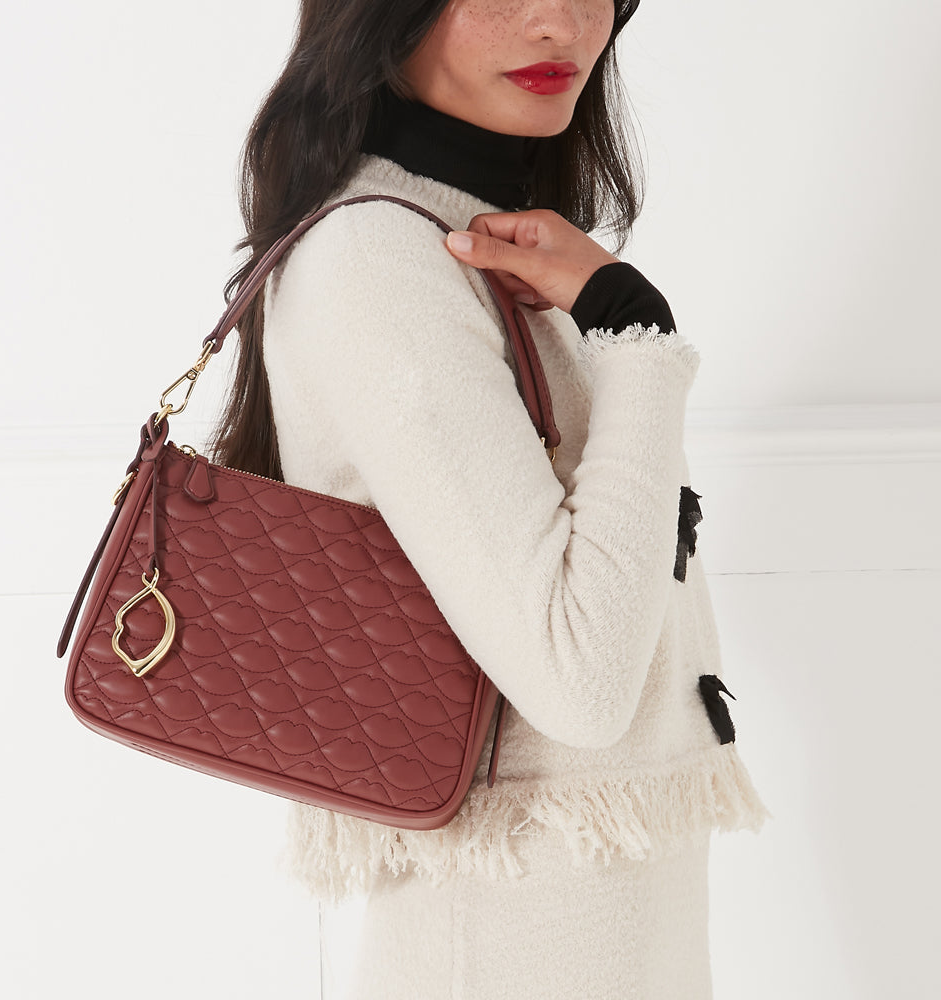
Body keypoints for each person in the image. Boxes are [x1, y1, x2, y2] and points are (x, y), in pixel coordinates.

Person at [212, 1, 770, 996]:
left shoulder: (462, 235)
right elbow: (579, 683)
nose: (557, 21)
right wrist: (634, 336)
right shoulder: (380, 262)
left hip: (578, 914)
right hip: (520, 934)